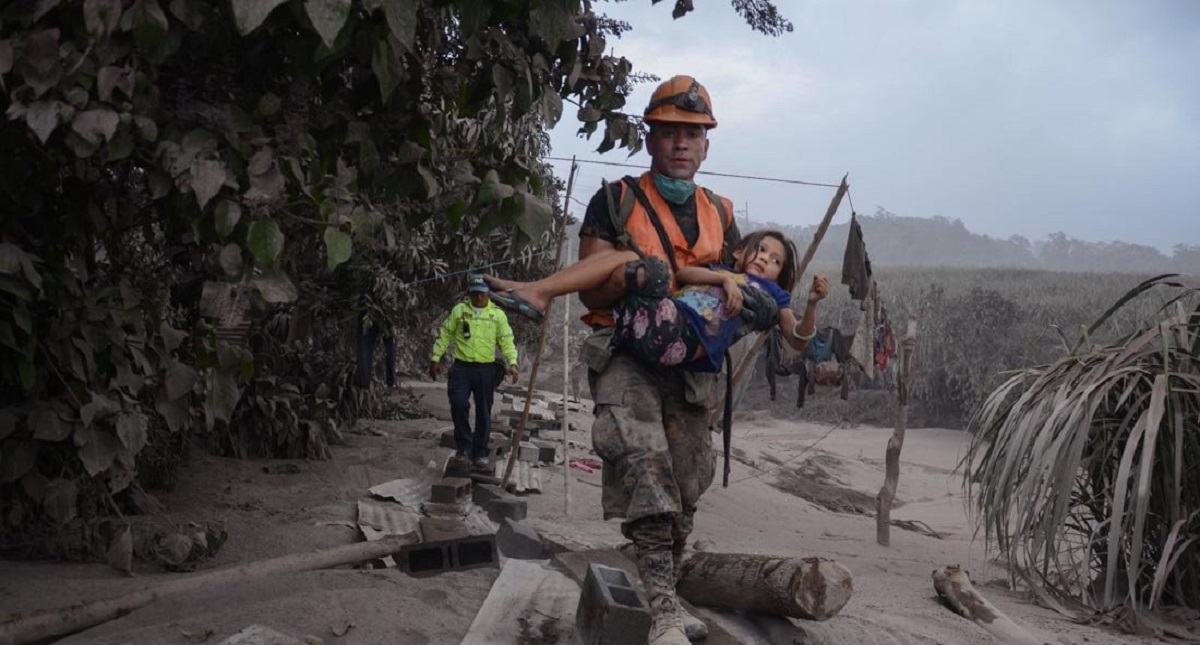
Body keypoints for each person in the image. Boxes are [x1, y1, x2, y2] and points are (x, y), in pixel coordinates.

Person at [521, 75, 824, 644]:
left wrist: (763, 305)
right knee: (646, 467)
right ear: (650, 138)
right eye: (668, 132)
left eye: (693, 133)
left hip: (691, 367)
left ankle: (670, 596)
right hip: (627, 352)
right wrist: (630, 279)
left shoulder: (720, 213)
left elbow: (741, 283)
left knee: (687, 481)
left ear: (706, 146)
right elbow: (591, 291)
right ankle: (662, 611)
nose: (681, 143)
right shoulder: (615, 200)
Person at [487, 228, 830, 372]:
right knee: (629, 262)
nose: (766, 259)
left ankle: (539, 291)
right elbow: (685, 274)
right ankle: (537, 290)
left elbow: (798, 339)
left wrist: (813, 303)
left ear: (779, 275)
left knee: (636, 264)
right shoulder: (719, 272)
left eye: (775, 261)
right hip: (654, 323)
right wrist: (724, 278)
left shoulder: (772, 294)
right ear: (739, 252)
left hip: (680, 339)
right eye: (762, 250)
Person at [429, 274, 519, 471]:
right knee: (458, 404)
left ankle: (480, 452)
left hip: (485, 370)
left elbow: (506, 340)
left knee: (484, 412)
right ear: (469, 294)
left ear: (488, 294)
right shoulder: (460, 311)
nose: (478, 298)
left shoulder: (497, 315)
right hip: (462, 368)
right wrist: (436, 358)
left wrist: (512, 363)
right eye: (475, 294)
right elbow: (445, 335)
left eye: (482, 294)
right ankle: (464, 447)